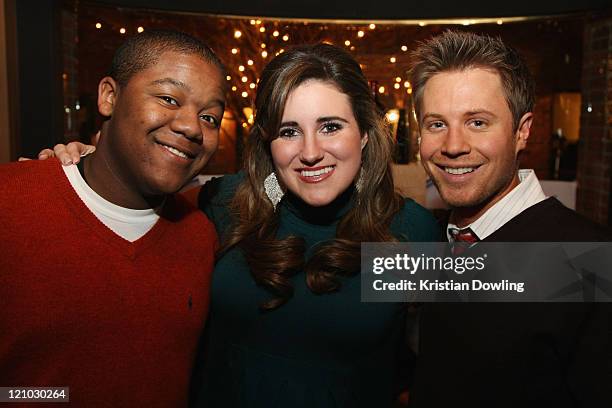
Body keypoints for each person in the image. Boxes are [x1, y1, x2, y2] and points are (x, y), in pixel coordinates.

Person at [41, 43, 440, 407]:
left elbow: (490, 314)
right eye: (289, 132)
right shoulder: (228, 204)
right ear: (268, 142)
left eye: (330, 126)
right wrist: (86, 166)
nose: (311, 152)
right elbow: (129, 210)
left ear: (365, 134)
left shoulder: (408, 231)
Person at [0, 29, 226, 406]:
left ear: (364, 138)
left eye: (210, 117)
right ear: (109, 96)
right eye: (169, 98)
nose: (191, 127)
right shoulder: (10, 203)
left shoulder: (203, 234)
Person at [408, 30, 611, 407]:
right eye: (436, 124)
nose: (453, 146)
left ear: (523, 131)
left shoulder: (590, 259)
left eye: (478, 122)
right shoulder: (437, 238)